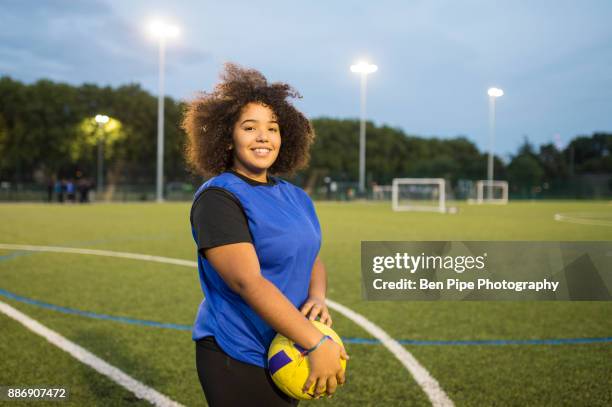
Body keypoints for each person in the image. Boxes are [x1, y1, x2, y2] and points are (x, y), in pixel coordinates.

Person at [182, 63, 348, 406]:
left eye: (272, 128)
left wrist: (317, 298)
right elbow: (248, 282)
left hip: (288, 345)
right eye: (249, 127)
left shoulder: (296, 196)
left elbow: (310, 255)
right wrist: (315, 342)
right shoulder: (219, 198)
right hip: (238, 351)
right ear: (227, 138)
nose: (263, 137)